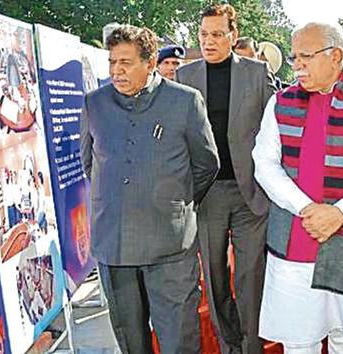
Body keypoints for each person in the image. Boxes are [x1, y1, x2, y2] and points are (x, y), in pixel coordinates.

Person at [253, 21, 343, 354]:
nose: (297, 65)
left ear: (336, 56)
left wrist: (340, 212)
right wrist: (308, 209)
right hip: (297, 238)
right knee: (298, 339)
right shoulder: (280, 103)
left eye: (306, 56)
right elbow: (264, 164)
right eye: (294, 57)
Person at [80, 25, 219, 354]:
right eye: (113, 62)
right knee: (131, 342)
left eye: (126, 62)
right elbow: (90, 163)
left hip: (170, 247)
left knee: (179, 342)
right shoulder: (94, 103)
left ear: (150, 62)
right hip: (114, 246)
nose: (117, 71)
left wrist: (173, 203)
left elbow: (206, 165)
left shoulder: (184, 101)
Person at [176, 4, 276, 354]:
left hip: (252, 193)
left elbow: (274, 131)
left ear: (233, 36)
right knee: (215, 278)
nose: (209, 40)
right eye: (204, 34)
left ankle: (251, 346)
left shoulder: (257, 73)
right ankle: (229, 344)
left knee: (250, 279)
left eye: (217, 34)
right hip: (207, 195)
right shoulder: (185, 77)